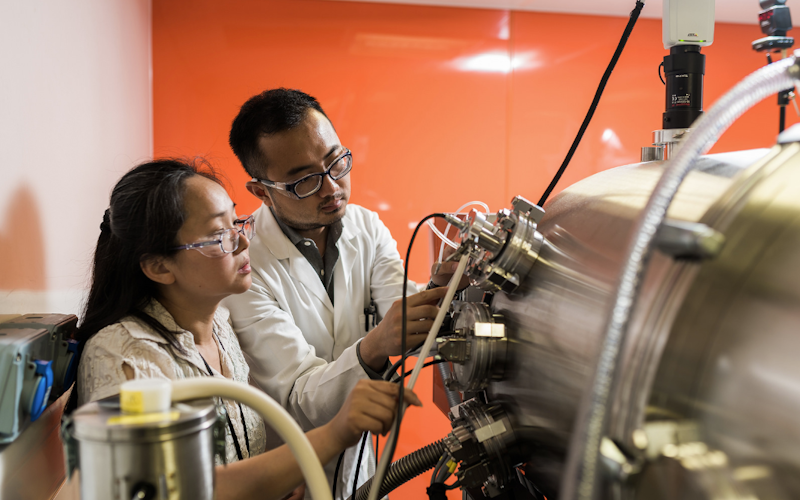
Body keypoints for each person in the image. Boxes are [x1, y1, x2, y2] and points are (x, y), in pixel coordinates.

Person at [75, 159, 421, 500]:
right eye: (218, 235)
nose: (242, 242)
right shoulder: (122, 353)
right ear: (159, 266)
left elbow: (234, 458)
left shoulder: (221, 328)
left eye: (237, 222)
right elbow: (164, 488)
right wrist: (333, 434)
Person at [224, 88, 464, 497]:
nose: (331, 186)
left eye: (336, 161)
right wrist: (374, 345)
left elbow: (399, 311)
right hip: (292, 476)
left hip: (362, 470)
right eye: (304, 180)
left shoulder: (365, 227)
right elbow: (300, 395)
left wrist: (447, 288)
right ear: (262, 191)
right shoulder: (244, 268)